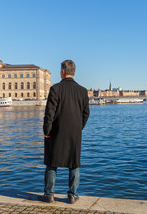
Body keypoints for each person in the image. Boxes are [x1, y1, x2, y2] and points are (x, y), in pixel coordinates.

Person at [39, 60, 90, 204]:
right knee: (74, 164)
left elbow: (49, 114)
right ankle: (73, 195)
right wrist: (79, 127)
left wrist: (46, 131)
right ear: (73, 72)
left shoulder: (55, 89)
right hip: (74, 134)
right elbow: (86, 113)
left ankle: (49, 194)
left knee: (51, 163)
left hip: (56, 132)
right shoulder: (82, 91)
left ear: (63, 72)